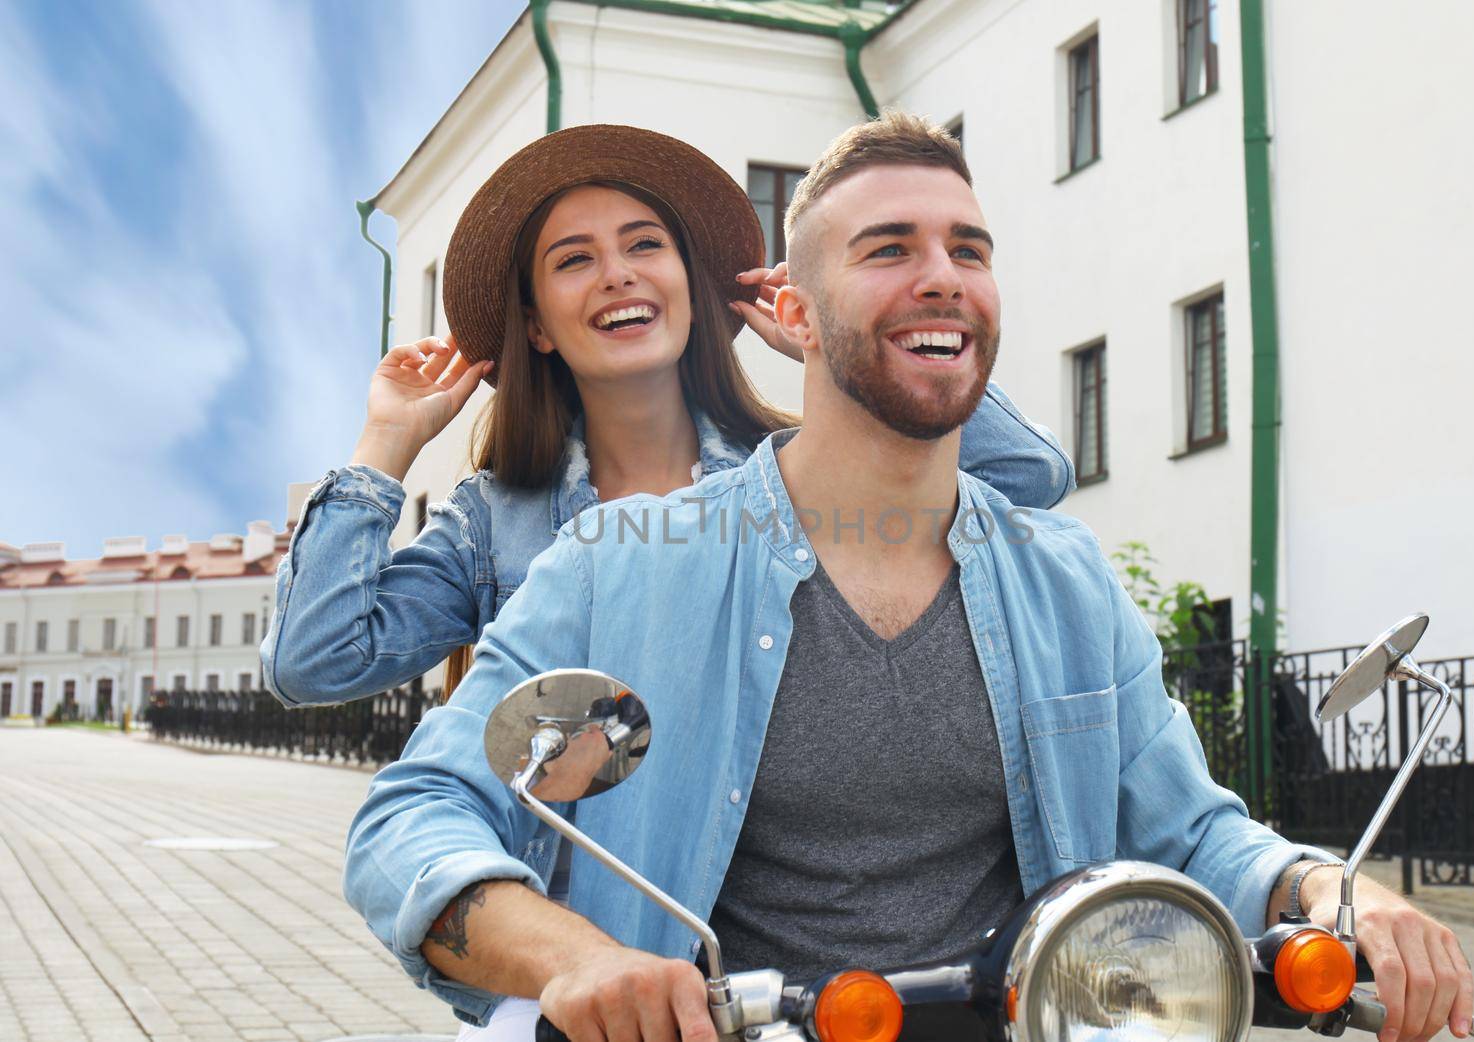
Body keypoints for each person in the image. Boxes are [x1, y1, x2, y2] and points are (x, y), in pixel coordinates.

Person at [344, 114, 1474, 1042]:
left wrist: (1334, 891)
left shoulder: (1065, 579)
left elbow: (1187, 836)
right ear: (790, 310)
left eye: (967, 251)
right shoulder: (617, 564)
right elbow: (414, 816)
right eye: (888, 249)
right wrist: (580, 960)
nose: (941, 280)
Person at [260, 124, 1071, 709]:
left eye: (645, 245)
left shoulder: (794, 470)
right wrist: (385, 444)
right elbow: (314, 662)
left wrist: (829, 336)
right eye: (574, 259)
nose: (617, 274)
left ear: (690, 282)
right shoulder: (493, 524)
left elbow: (1024, 479)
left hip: (763, 915)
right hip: (569, 919)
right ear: (537, 325)